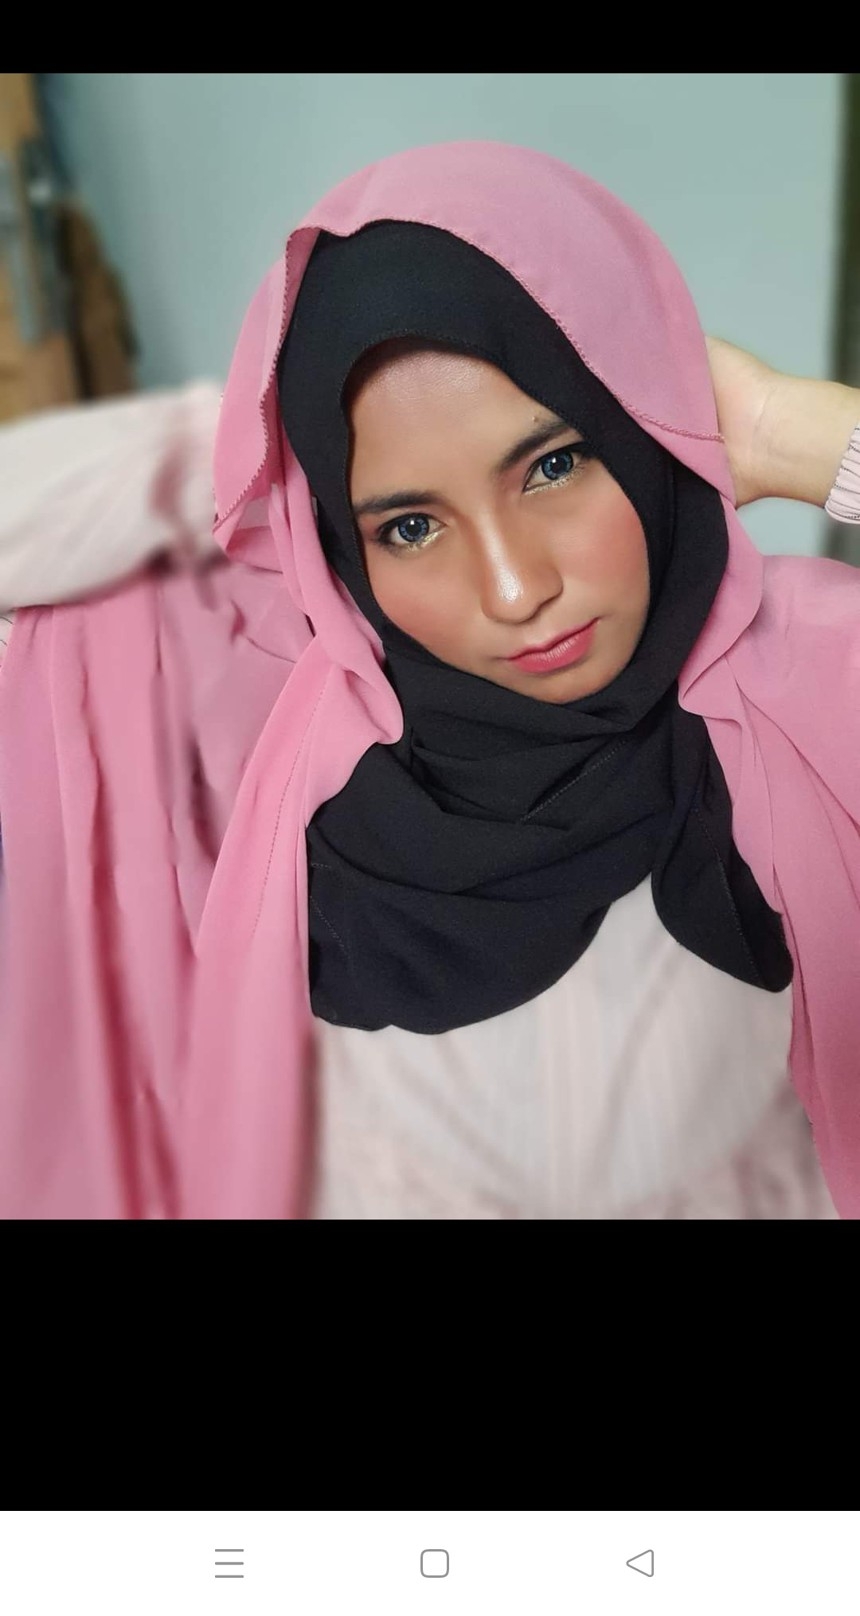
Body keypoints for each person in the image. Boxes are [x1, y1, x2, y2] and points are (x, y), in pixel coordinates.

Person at [1, 139, 859, 1221]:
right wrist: (237, 442)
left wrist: (787, 431)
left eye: (553, 464)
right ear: (339, 545)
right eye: (409, 525)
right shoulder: (265, 723)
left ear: (638, 426)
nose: (515, 590)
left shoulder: (818, 684)